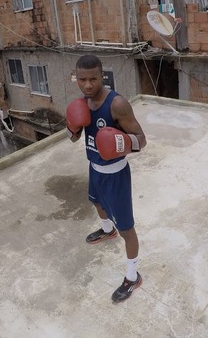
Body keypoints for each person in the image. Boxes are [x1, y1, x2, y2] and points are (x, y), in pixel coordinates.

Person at [65, 54, 147, 302]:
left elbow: (142, 140)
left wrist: (119, 142)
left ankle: (133, 277)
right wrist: (73, 126)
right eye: (82, 80)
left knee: (128, 230)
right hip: (95, 169)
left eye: (93, 79)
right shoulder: (82, 103)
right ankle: (106, 230)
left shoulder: (117, 104)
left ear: (102, 76)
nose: (88, 85)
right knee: (96, 203)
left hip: (116, 176)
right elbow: (74, 138)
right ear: (76, 79)